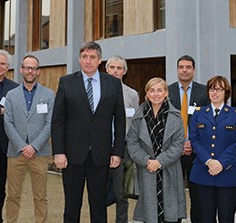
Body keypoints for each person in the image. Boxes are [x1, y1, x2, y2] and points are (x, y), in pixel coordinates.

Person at [51, 41, 126, 223]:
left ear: (99, 60)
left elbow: (120, 119)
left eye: (92, 57)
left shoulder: (113, 84)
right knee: (71, 205)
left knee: (99, 206)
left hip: (101, 155)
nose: (88, 61)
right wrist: (59, 152)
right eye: (84, 57)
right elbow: (58, 121)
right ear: (79, 59)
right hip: (72, 155)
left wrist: (117, 152)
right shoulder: (66, 82)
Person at [127, 77, 186, 223]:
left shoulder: (176, 116)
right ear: (147, 93)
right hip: (147, 170)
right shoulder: (138, 117)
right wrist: (147, 161)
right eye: (151, 90)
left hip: (169, 169)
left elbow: (178, 145)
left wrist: (159, 162)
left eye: (160, 90)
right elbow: (133, 143)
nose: (156, 94)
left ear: (166, 93)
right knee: (150, 214)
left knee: (170, 214)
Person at [3, 54, 54, 223]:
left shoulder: (48, 94)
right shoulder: (11, 95)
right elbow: (8, 123)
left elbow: (50, 124)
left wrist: (34, 146)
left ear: (38, 71)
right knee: (12, 195)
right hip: (16, 153)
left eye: (33, 68)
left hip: (39, 153)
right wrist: (22, 146)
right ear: (21, 70)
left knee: (40, 196)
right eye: (27, 67)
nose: (30, 71)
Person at [189, 75, 236, 223]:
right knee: (205, 218)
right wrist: (209, 161)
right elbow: (195, 140)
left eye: (219, 89)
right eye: (212, 89)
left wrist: (220, 163)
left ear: (226, 93)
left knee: (226, 218)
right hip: (203, 172)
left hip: (228, 174)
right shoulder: (199, 113)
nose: (215, 92)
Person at [167, 55, 209, 222]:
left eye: (188, 67)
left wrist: (194, 143)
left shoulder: (203, 92)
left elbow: (207, 122)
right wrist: (177, 145)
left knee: (197, 194)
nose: (184, 70)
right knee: (173, 194)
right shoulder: (167, 91)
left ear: (193, 70)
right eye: (181, 67)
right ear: (177, 69)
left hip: (196, 152)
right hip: (172, 152)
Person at [105, 55, 140, 223]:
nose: (115, 71)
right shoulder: (97, 91)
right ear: (106, 69)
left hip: (123, 149)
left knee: (122, 192)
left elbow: (134, 124)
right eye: (112, 67)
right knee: (99, 190)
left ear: (124, 71)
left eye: (119, 68)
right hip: (101, 147)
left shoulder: (132, 95)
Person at [0, 49, 20, 223]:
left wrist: (8, 112)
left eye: (3, 64)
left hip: (4, 143)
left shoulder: (14, 88)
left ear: (8, 67)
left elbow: (19, 115)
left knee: (0, 184)